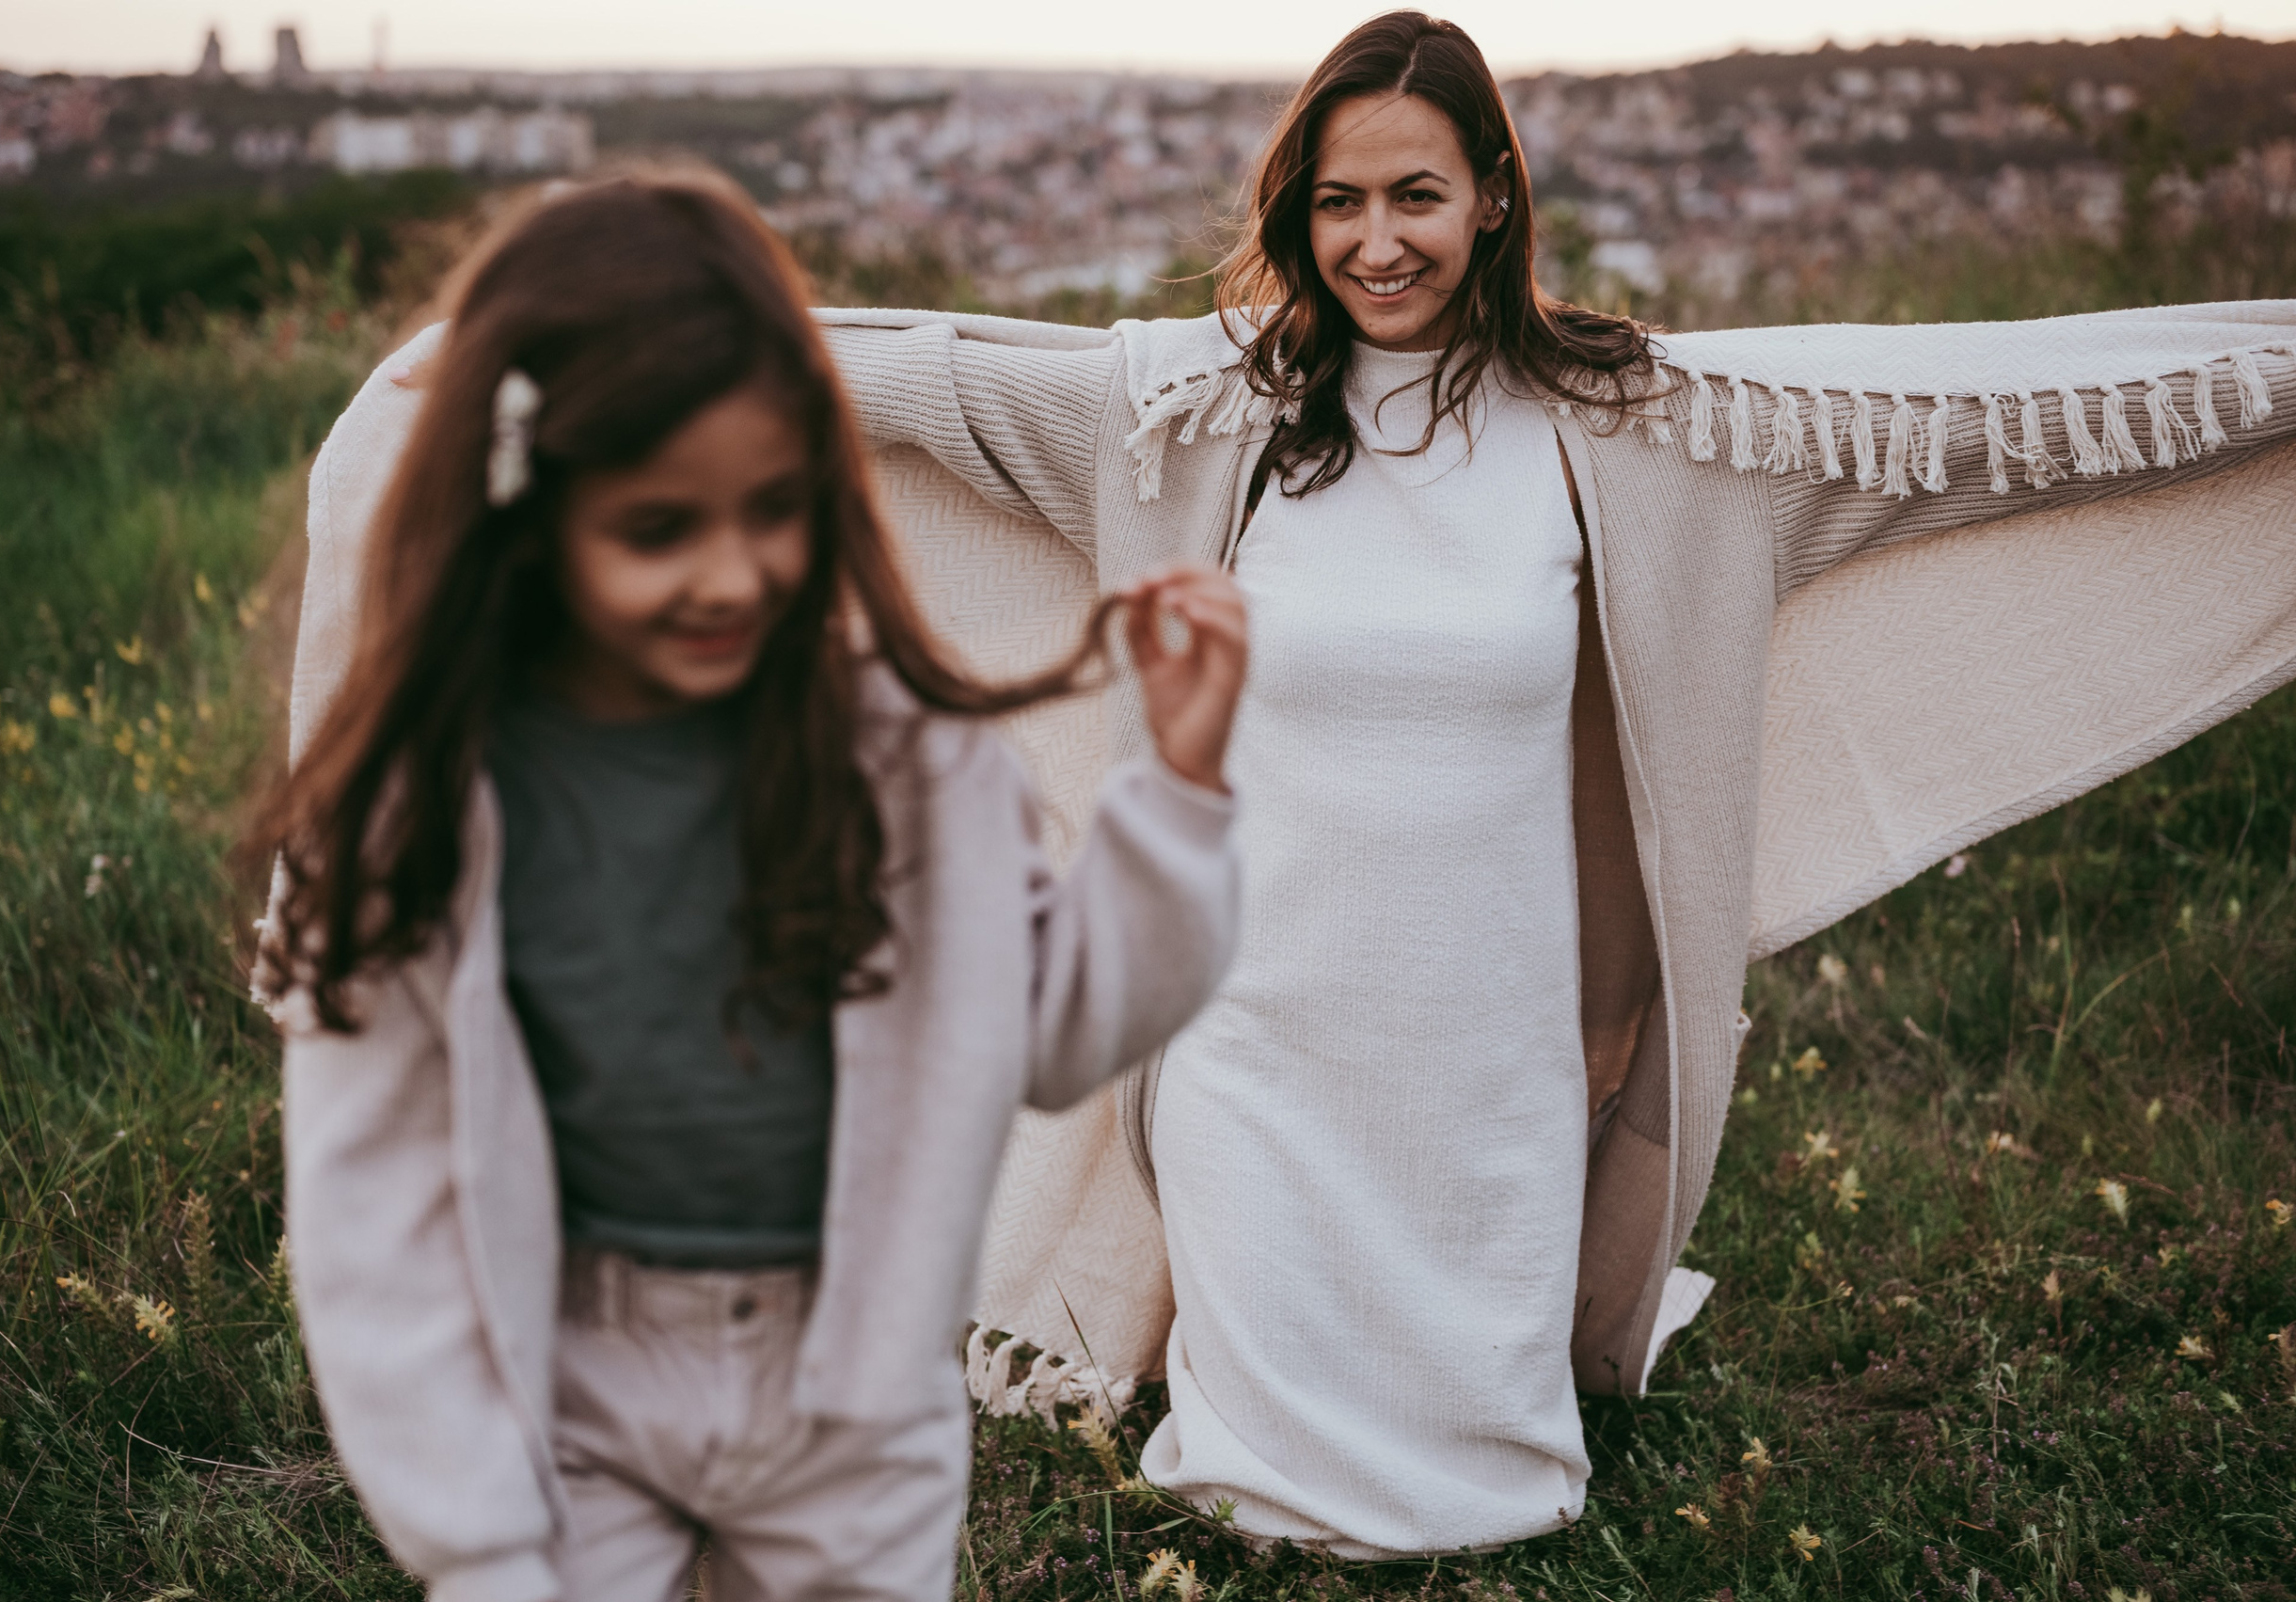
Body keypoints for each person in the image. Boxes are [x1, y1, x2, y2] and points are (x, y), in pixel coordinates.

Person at [813, 9, 2296, 1558]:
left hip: (1489, 1056)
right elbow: (929, 381)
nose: (1377, 243)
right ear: (1294, 216)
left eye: (1416, 197)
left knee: (1495, 1486)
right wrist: (602, 355)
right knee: (1255, 1496)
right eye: (1337, 202)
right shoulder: (1190, 418)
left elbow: (1981, 422)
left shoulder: (1642, 432)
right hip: (1254, 1045)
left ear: (1496, 198)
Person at [250, 174, 1249, 1602]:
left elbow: (1058, 1028)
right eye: (658, 528)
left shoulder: (904, 764)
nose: (731, 576)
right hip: (563, 1390)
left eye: (774, 511)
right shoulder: (441, 811)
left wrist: (1178, 805)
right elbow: (374, 1189)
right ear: (532, 514)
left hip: (850, 1396)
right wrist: (476, 1529)